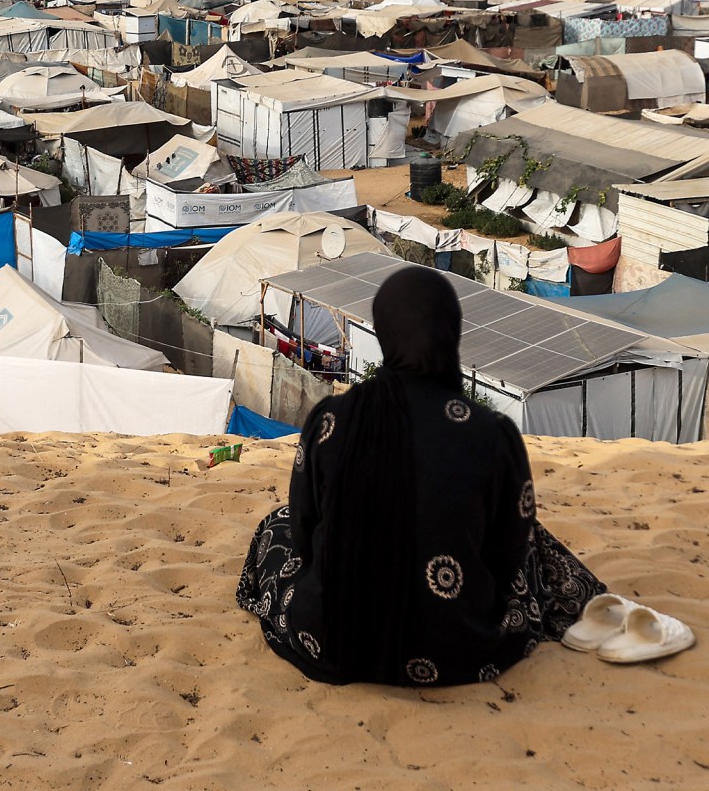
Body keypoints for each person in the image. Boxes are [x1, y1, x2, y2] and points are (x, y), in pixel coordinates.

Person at [237, 266, 617, 687]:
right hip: (459, 646)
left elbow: (305, 530)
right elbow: (506, 552)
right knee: (530, 539)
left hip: (332, 640)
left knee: (276, 526)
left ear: (384, 334)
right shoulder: (491, 434)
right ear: (450, 334)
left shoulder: (331, 421)